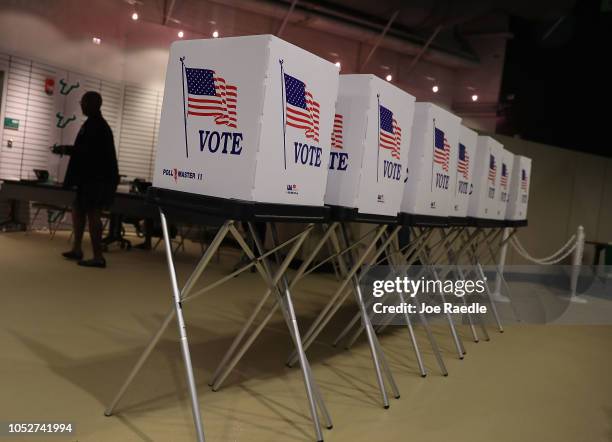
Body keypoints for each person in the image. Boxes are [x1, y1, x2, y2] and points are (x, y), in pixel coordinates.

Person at [52, 91, 119, 268]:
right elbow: (85, 150)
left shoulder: (97, 126)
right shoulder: (91, 124)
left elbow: (88, 153)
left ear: (92, 104)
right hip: (89, 179)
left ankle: (98, 257)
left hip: (96, 179)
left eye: (83, 102)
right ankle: (77, 249)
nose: (81, 105)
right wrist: (67, 149)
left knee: (93, 214)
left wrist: (67, 150)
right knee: (78, 210)